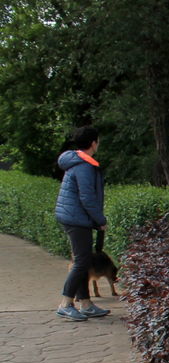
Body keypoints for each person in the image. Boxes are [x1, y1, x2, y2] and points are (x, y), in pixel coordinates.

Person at [54, 125, 110, 320]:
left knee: (83, 261)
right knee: (81, 262)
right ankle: (66, 303)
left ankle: (86, 304)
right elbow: (87, 198)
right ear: (93, 143)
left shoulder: (78, 162)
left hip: (74, 217)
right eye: (98, 141)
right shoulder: (84, 166)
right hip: (76, 218)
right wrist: (100, 220)